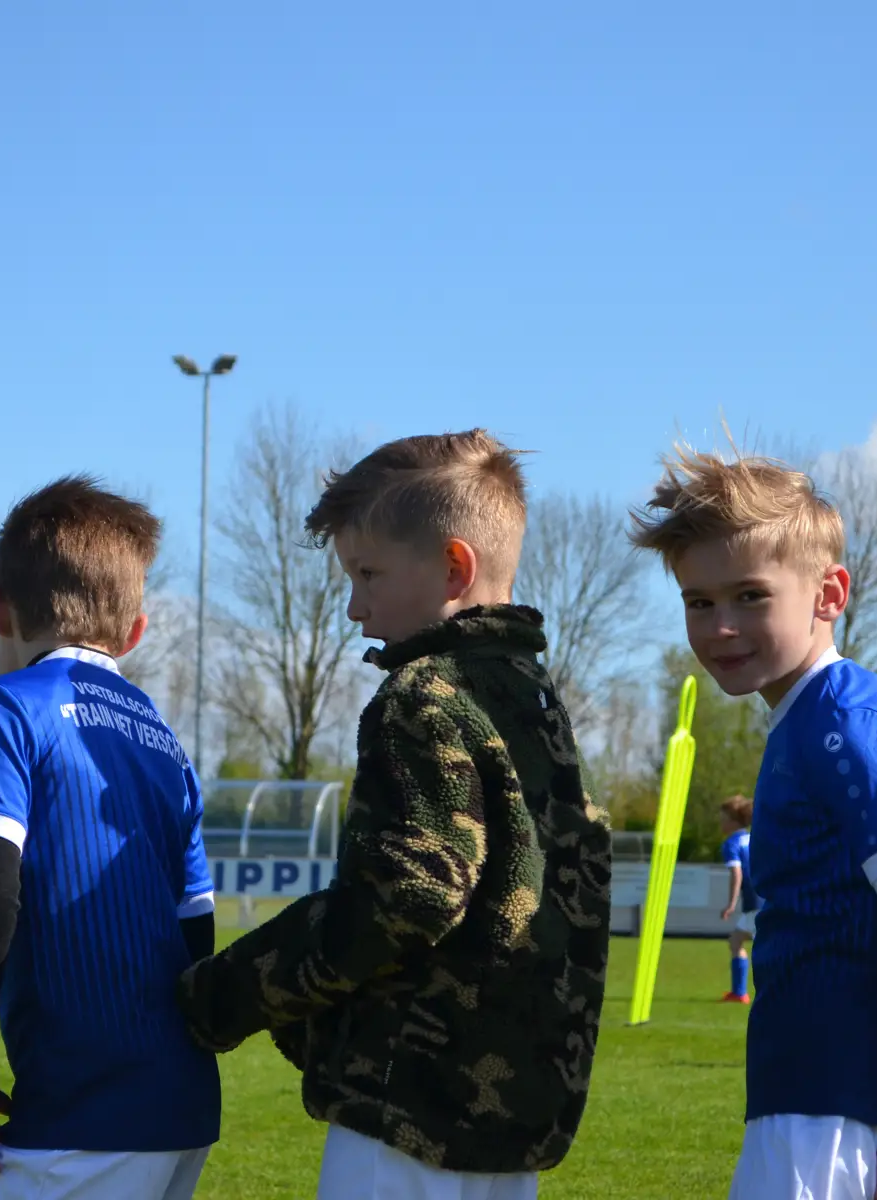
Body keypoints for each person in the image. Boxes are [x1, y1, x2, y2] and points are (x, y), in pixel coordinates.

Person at [175, 429, 613, 1200]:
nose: (354, 606)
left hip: (409, 1108)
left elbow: (411, 894)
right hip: (516, 1115)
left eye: (367, 574)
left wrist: (224, 995)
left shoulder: (423, 696)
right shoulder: (536, 700)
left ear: (453, 569)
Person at [629, 445, 877, 1200]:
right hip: (812, 1095)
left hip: (830, 1109)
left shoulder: (842, 728)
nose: (721, 627)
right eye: (699, 602)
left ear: (828, 594)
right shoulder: (815, 717)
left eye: (751, 596)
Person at [0, 476, 219, 1199]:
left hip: (82, 1117)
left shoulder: (3, 706)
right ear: (135, 631)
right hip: (183, 1108)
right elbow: (197, 932)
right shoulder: (165, 742)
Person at [717, 794, 758, 1004]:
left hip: (756, 903)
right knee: (736, 941)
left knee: (765, 949)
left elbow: (737, 873)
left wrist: (731, 904)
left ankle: (741, 993)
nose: (720, 822)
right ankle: (738, 992)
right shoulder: (755, 838)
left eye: (723, 818)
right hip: (767, 898)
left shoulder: (731, 844)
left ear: (733, 821)